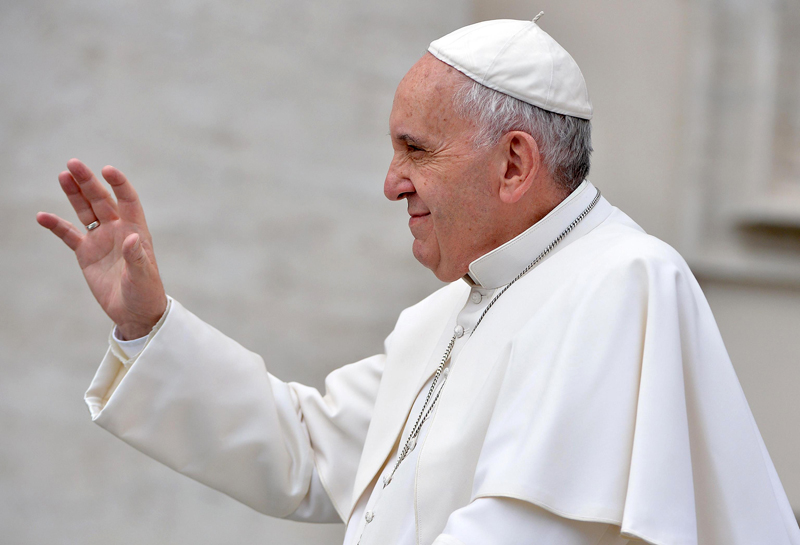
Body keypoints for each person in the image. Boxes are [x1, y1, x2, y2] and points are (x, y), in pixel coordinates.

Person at [37, 17, 800, 545]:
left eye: (415, 149)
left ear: (513, 163)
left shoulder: (623, 280)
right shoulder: (444, 319)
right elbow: (305, 447)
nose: (390, 183)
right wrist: (149, 322)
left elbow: (528, 529)